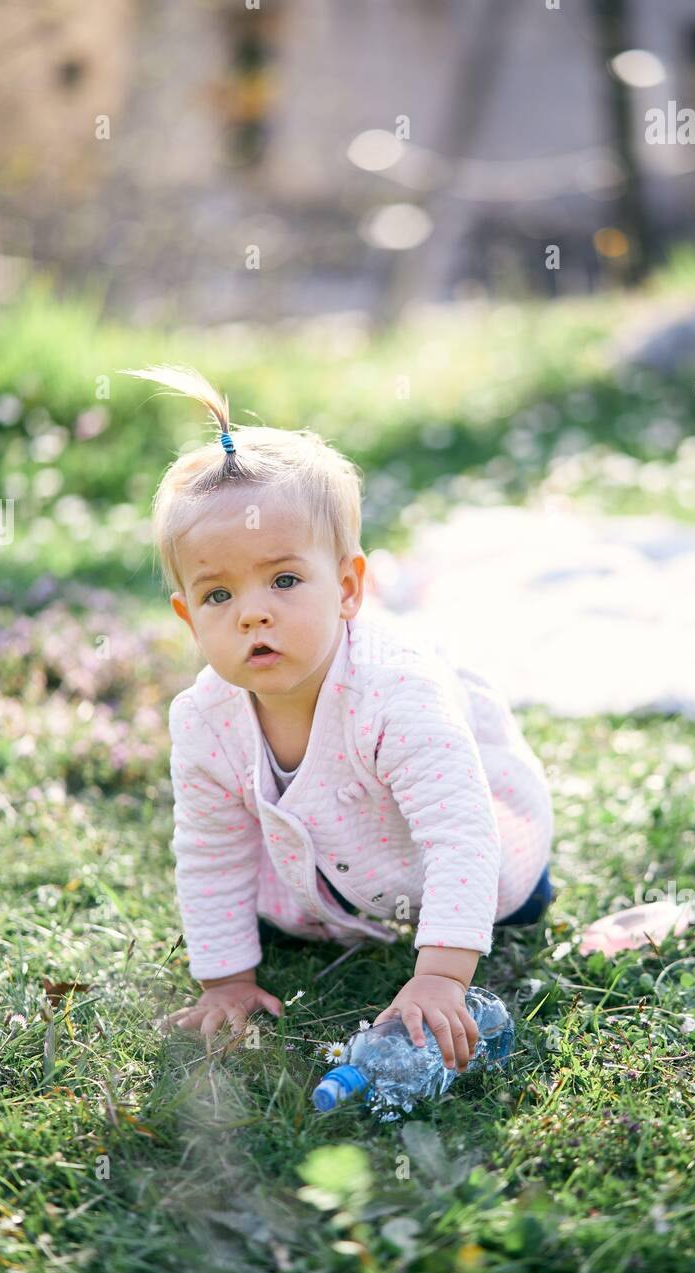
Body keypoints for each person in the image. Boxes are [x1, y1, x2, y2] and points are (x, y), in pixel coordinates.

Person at [124, 364, 553, 1074]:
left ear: (349, 587)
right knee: (256, 899)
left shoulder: (395, 690)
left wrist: (442, 976)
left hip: (457, 852)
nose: (253, 611)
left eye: (284, 580)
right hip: (324, 874)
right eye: (218, 594)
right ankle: (319, 914)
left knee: (506, 892)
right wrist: (225, 979)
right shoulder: (204, 719)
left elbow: (460, 834)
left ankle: (479, 916)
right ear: (187, 617)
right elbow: (211, 847)